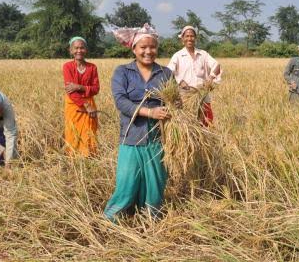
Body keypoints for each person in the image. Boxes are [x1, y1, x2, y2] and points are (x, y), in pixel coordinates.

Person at [104, 23, 172, 222]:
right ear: (134, 49)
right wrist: (150, 112)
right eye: (143, 47)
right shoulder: (122, 72)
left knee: (155, 183)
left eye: (152, 47)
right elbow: (121, 102)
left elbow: (175, 103)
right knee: (126, 183)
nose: (148, 51)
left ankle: (150, 219)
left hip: (158, 137)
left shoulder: (165, 73)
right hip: (131, 134)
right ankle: (111, 220)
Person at [167, 26, 221, 125]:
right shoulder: (177, 56)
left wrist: (211, 78)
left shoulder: (203, 54)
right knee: (188, 126)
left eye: (192, 36)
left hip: (203, 97)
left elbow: (217, 65)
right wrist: (179, 81)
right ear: (182, 39)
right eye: (187, 36)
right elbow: (168, 72)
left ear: (195, 38)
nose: (189, 38)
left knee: (207, 124)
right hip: (185, 99)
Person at [63, 36, 100, 156]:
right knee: (73, 133)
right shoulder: (67, 67)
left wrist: (80, 87)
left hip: (90, 105)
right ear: (71, 51)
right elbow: (71, 92)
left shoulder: (92, 67)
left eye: (82, 48)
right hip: (74, 106)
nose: (79, 50)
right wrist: (86, 105)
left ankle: (89, 158)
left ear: (86, 50)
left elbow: (96, 89)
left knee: (89, 133)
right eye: (76, 48)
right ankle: (74, 159)